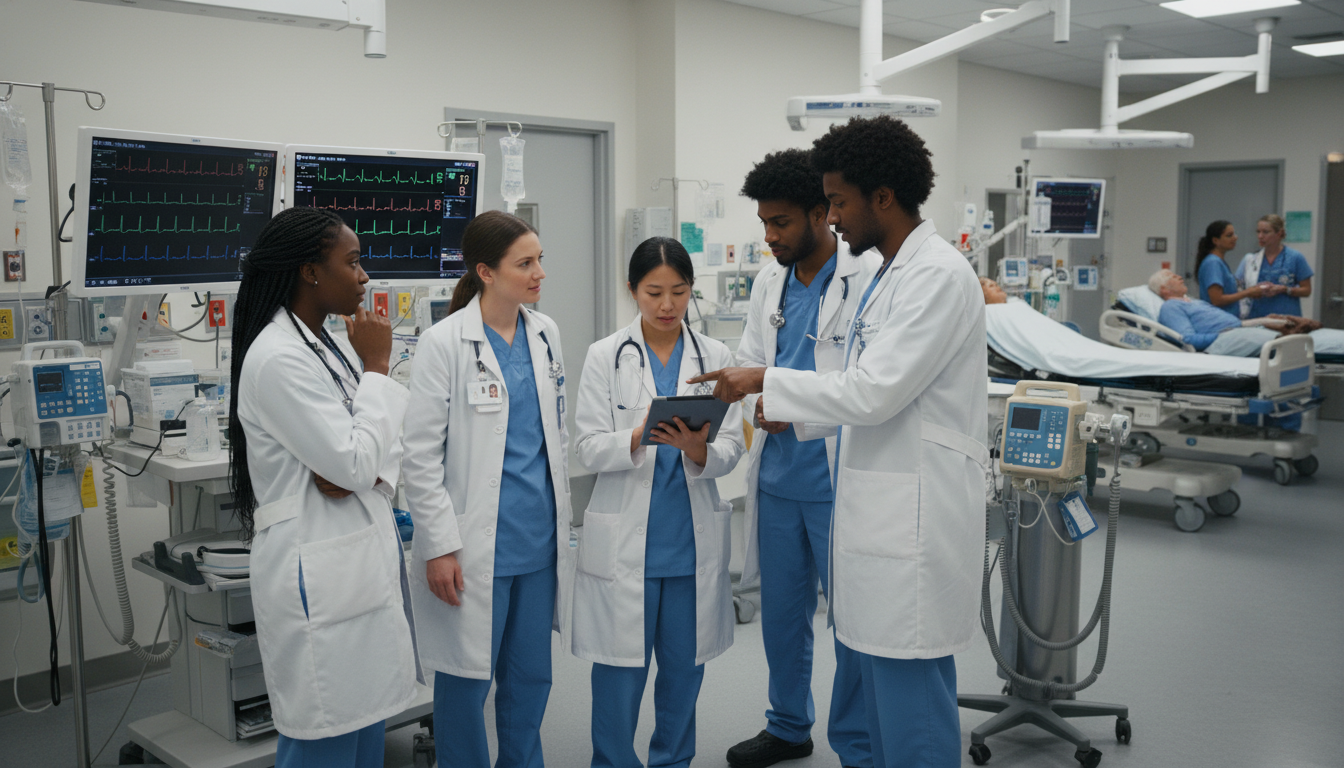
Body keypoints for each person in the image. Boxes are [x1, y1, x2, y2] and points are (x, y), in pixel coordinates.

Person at [689, 116, 989, 768]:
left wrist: (768, 382)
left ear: (882, 196)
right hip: (868, 501)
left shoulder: (935, 275)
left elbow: (873, 391)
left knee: (909, 707)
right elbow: (859, 393)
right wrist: (780, 410)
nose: (837, 217)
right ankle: (805, 729)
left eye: (841, 203)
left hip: (909, 518)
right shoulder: (892, 273)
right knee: (873, 697)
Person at [230, 207, 418, 767]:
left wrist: (361, 469)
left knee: (363, 735)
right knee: (324, 742)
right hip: (317, 575)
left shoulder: (323, 344)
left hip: (353, 565)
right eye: (354, 262)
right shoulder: (279, 358)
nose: (365, 276)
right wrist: (380, 369)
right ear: (311, 272)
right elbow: (359, 457)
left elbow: (373, 453)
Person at [401, 210, 573, 768]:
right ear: (486, 272)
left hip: (538, 542)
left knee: (530, 680)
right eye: (525, 263)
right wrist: (438, 546)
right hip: (474, 548)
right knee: (465, 685)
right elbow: (420, 458)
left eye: (540, 259)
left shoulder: (545, 334)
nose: (539, 272)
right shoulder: (444, 343)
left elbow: (554, 436)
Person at [726, 149, 879, 768]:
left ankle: (860, 744)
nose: (769, 237)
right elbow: (751, 358)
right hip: (780, 478)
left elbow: (869, 384)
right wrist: (757, 396)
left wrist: (792, 399)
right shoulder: (771, 281)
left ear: (822, 213)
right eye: (764, 223)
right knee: (782, 617)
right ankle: (788, 724)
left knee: (855, 623)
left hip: (840, 476)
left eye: (782, 223)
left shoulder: (866, 278)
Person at [572, 237, 745, 768]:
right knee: (620, 674)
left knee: (682, 672)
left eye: (678, 292)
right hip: (627, 544)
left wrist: (700, 451)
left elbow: (733, 444)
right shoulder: (606, 355)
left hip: (689, 547)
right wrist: (635, 437)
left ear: (692, 291)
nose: (667, 305)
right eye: (653, 293)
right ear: (632, 291)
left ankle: (673, 761)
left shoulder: (716, 357)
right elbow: (584, 446)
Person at [1150, 268, 1344, 356]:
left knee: (1291, 326)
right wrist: (1224, 333)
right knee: (1287, 340)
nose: (1178, 276)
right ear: (1164, 290)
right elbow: (1188, 340)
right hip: (1225, 339)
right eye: (1171, 277)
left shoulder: (1192, 302)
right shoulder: (1171, 307)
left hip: (1237, 330)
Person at [1237, 214, 1312, 319]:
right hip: (1257, 318)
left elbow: (1306, 290)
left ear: (1279, 233)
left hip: (1286, 319)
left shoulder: (1295, 258)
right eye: (1258, 232)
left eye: (1265, 232)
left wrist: (1285, 289)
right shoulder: (1250, 260)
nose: (1260, 236)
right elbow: (1237, 287)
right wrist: (1253, 291)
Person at [1195, 220, 1262, 316]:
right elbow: (1217, 300)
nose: (1235, 238)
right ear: (1215, 241)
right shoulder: (1213, 263)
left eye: (1234, 234)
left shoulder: (1220, 262)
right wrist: (1247, 293)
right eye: (1229, 235)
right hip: (1219, 321)